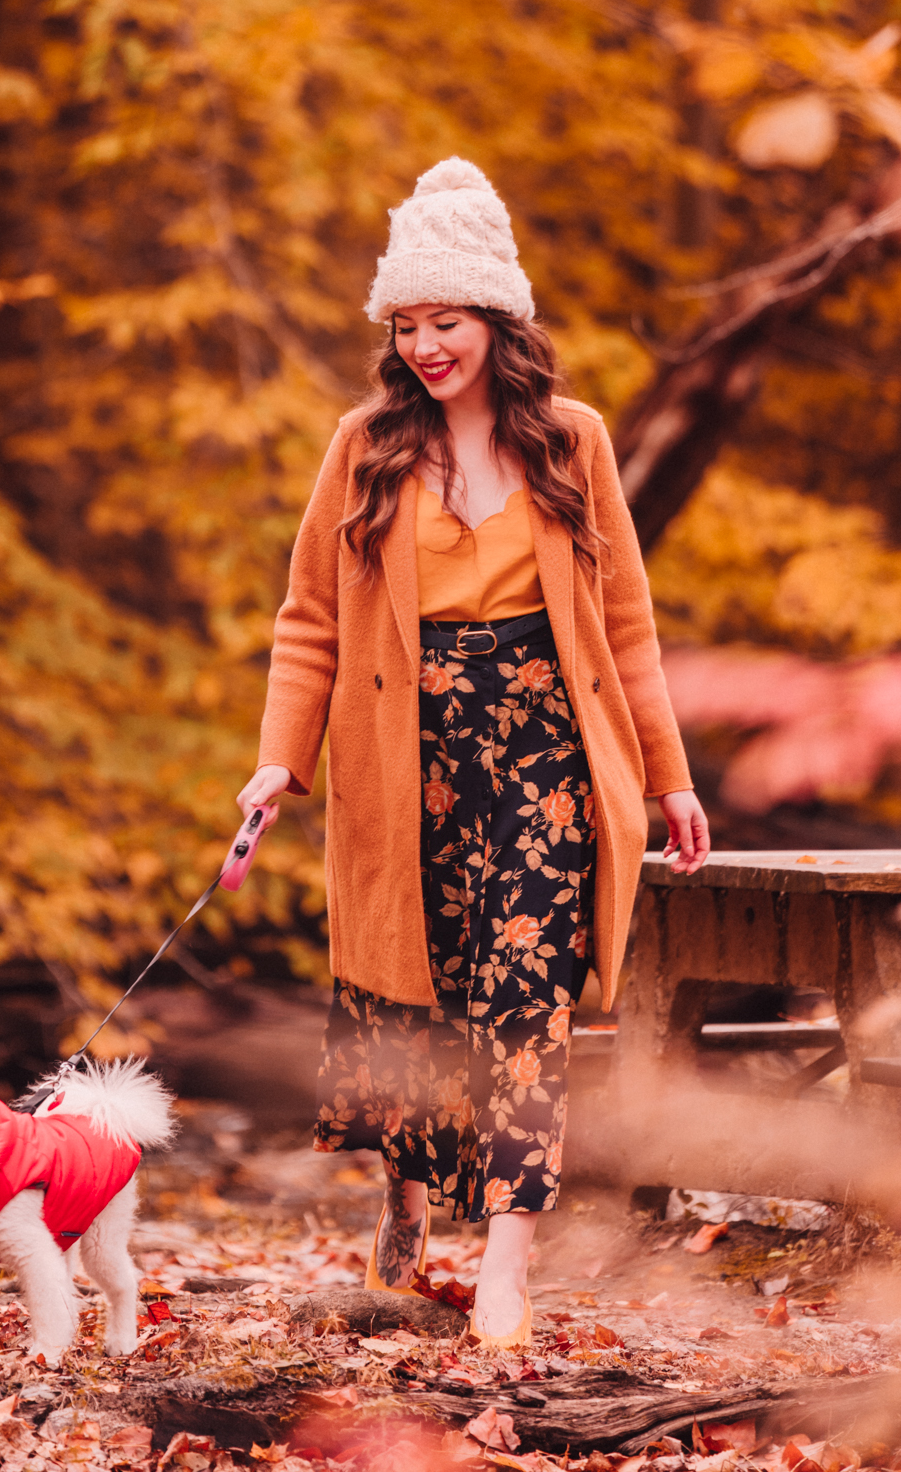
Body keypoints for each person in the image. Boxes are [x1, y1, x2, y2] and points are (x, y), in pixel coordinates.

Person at [237, 158, 709, 1347]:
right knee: (412, 987)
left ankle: (505, 1261)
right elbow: (308, 620)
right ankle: (405, 1205)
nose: (423, 348)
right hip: (403, 751)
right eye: (404, 326)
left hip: (545, 755)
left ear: (498, 321)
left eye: (443, 322)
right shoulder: (364, 446)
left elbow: (626, 626)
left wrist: (669, 777)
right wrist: (276, 762)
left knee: (524, 1001)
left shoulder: (574, 442)